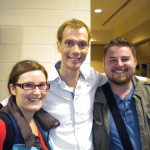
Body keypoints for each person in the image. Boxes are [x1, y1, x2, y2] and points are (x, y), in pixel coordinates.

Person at [1, 19, 148, 150]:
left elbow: (119, 74)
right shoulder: (43, 85)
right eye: (69, 43)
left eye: (82, 44)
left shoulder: (93, 78)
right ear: (59, 46)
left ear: (87, 48)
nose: (76, 51)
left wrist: (146, 80)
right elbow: (13, 101)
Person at [93, 37, 150, 150]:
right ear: (104, 63)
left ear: (135, 62)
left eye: (125, 59)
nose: (119, 64)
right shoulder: (92, 99)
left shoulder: (148, 93)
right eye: (112, 60)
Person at [0, 60, 59, 150]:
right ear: (13, 89)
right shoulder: (3, 125)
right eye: (28, 85)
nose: (37, 92)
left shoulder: (42, 124)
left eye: (42, 85)